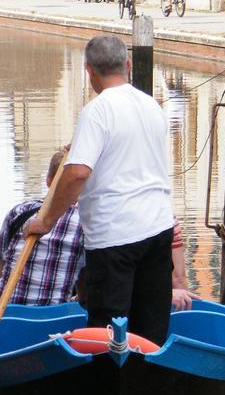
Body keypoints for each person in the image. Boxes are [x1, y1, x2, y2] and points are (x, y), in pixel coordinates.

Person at [24, 34, 194, 344]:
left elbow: (76, 174)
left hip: (115, 238)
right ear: (127, 65)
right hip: (158, 232)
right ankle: (146, 384)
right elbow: (126, 155)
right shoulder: (151, 105)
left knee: (107, 333)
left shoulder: (97, 111)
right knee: (150, 328)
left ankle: (108, 387)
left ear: (88, 70)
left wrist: (46, 221)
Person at [0, 149, 85, 306]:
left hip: (7, 312)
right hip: (54, 317)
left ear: (48, 180)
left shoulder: (19, 212)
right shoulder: (85, 222)